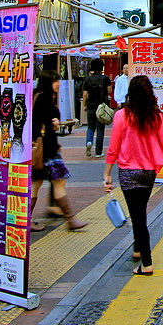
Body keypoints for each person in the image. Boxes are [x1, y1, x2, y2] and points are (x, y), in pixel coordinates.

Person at [105, 75, 163, 275]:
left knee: (138, 217)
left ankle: (147, 262)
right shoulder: (157, 117)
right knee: (139, 211)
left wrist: (106, 173)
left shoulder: (121, 116)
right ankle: (136, 249)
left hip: (127, 172)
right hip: (149, 172)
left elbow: (113, 148)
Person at [31, 71, 86, 232]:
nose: (59, 84)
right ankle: (70, 220)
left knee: (39, 183)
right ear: (49, 82)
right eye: (56, 81)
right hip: (46, 148)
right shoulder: (43, 98)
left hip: (42, 147)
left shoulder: (37, 95)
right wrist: (52, 123)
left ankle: (25, 220)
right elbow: (40, 121)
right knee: (56, 182)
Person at [81, 58, 113, 158]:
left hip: (91, 105)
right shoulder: (105, 78)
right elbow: (109, 90)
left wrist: (84, 105)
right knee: (100, 129)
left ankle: (89, 142)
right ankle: (98, 152)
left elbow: (85, 94)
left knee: (90, 127)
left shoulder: (87, 79)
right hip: (102, 107)